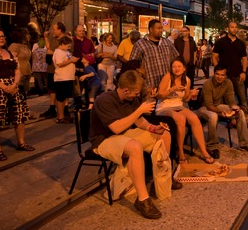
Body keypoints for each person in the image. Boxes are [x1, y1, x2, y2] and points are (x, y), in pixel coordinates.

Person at [89, 70, 172, 219]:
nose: (137, 96)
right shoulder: (104, 100)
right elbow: (116, 128)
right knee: (135, 146)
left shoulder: (131, 98)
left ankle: (160, 182)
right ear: (126, 90)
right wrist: (140, 109)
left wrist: (154, 128)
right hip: (103, 140)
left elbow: (138, 121)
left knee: (164, 135)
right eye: (135, 94)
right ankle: (142, 199)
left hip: (122, 135)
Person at [0, 28, 34, 161]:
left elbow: (17, 71)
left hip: (13, 87)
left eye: (3, 36)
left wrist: (13, 85)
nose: (1, 38)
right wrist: (4, 87)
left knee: (19, 116)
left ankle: (21, 142)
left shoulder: (10, 53)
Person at [154, 57, 213, 164]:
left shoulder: (187, 80)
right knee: (180, 118)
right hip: (164, 107)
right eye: (174, 67)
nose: (176, 69)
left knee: (194, 118)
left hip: (179, 106)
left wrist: (191, 94)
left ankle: (203, 151)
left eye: (179, 66)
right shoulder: (168, 77)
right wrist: (173, 89)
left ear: (184, 68)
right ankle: (180, 151)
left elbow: (185, 99)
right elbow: (159, 95)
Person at [196, 65, 248, 153]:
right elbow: (209, 105)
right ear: (214, 74)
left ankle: (245, 144)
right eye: (217, 74)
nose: (219, 77)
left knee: (240, 112)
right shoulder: (208, 83)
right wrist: (220, 111)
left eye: (222, 75)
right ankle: (212, 145)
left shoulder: (228, 82)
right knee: (213, 116)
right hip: (204, 108)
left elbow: (231, 99)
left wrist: (234, 108)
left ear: (226, 76)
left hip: (218, 106)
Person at [129, 19, 179, 90]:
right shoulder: (140, 44)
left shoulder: (167, 43)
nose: (161, 30)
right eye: (158, 28)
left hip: (167, 85)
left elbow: (176, 58)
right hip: (150, 85)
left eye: (161, 28)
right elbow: (133, 63)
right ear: (151, 29)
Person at [212, 22, 248, 114]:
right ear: (227, 28)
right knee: (225, 95)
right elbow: (214, 56)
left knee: (242, 95)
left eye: (236, 27)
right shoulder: (220, 42)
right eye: (232, 27)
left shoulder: (240, 43)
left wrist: (243, 72)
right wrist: (218, 70)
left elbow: (244, 59)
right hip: (224, 74)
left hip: (238, 73)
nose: (234, 29)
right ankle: (226, 112)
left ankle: (245, 111)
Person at [40, 22, 68, 119]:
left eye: (54, 29)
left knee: (61, 90)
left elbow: (64, 52)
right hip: (51, 68)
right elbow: (49, 48)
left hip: (60, 69)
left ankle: (63, 111)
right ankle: (52, 108)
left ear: (60, 30)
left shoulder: (65, 39)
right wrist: (46, 38)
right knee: (52, 89)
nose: (53, 31)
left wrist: (51, 52)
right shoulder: (55, 39)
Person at [53, 36, 79, 123]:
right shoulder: (58, 52)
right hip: (61, 78)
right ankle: (60, 117)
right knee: (61, 98)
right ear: (62, 44)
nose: (69, 48)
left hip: (67, 77)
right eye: (68, 46)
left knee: (64, 98)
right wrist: (71, 60)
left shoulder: (65, 51)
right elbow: (59, 64)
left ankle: (62, 116)